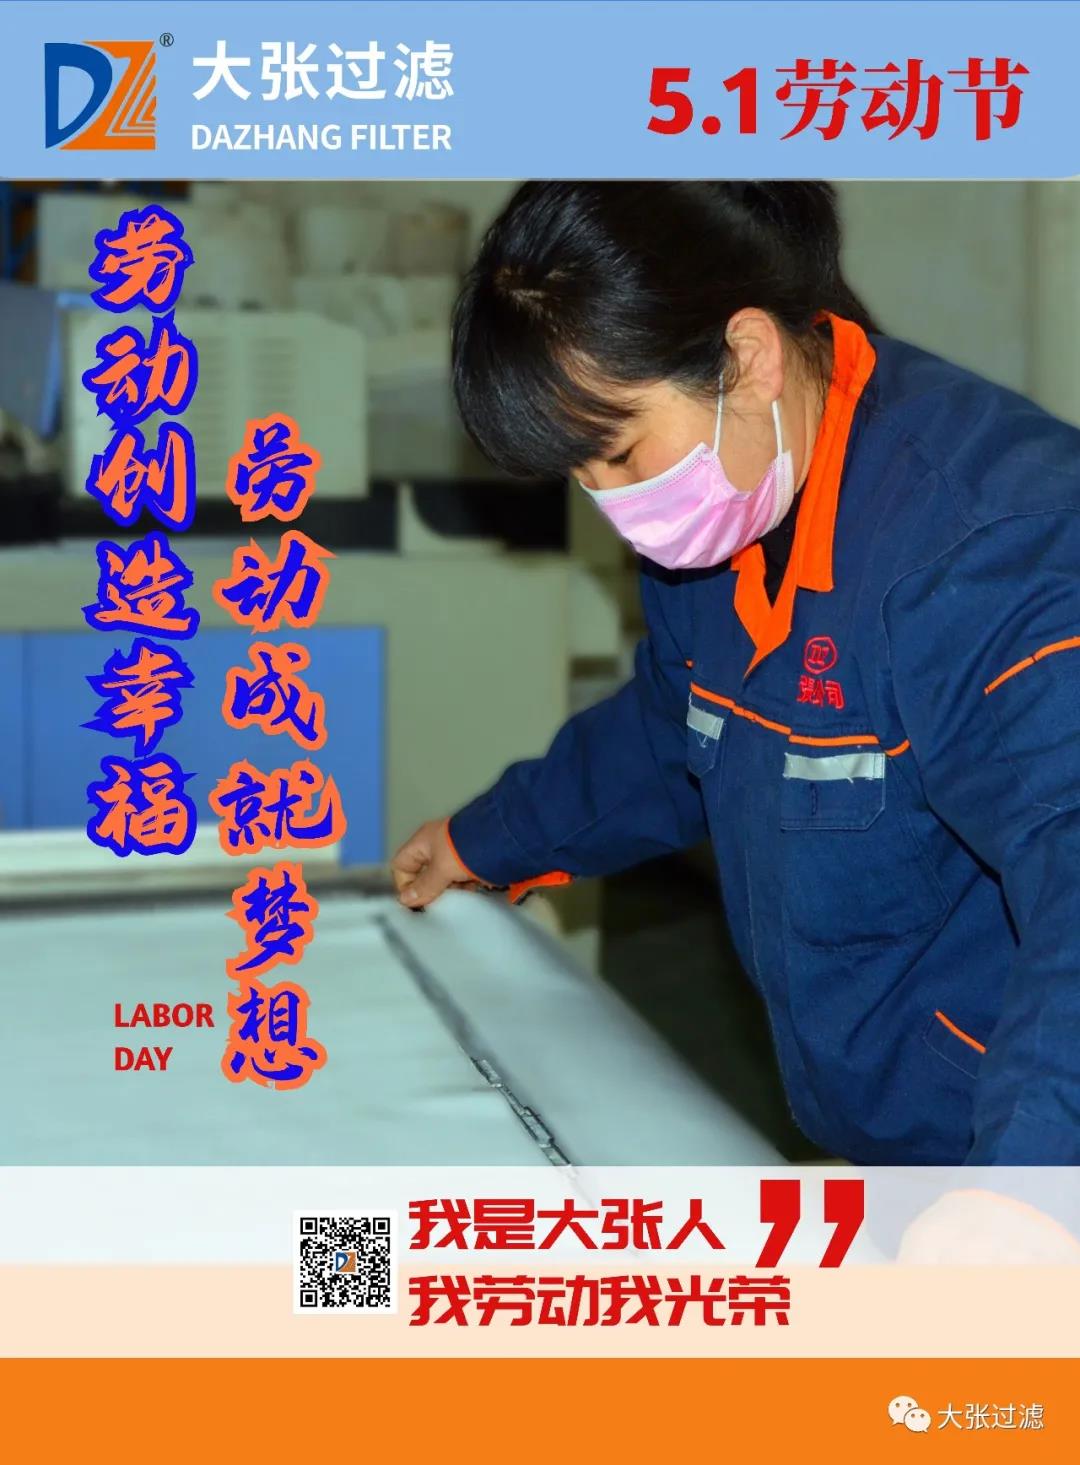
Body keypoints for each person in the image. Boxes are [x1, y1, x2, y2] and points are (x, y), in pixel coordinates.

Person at [390, 181, 1080, 1186]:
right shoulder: (734, 505)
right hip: (901, 1148)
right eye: (582, 473)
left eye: (623, 451)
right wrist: (491, 837)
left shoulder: (990, 553)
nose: (616, 506)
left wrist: (1028, 1189)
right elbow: (676, 729)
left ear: (748, 358)